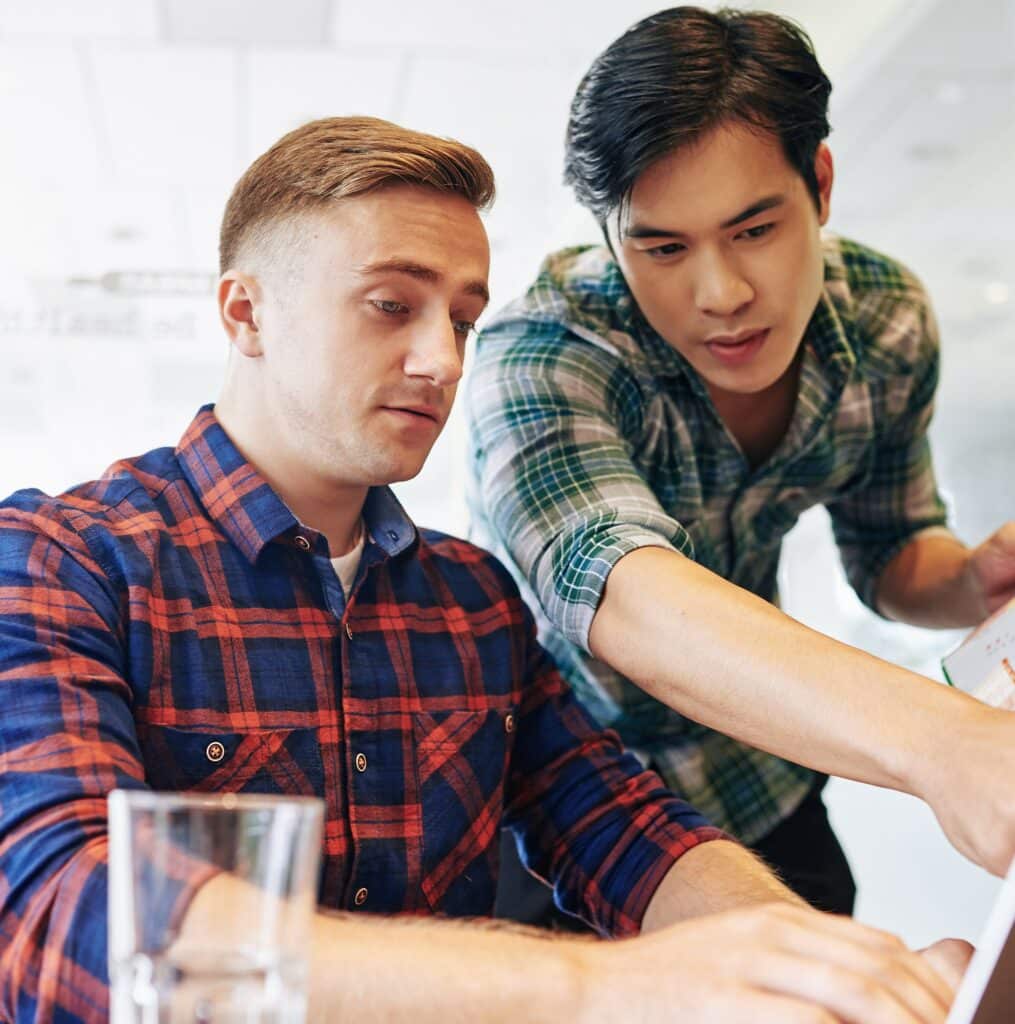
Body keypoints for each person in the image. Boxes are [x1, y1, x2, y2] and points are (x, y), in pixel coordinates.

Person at [0, 115, 971, 1023]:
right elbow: (65, 910)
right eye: (392, 306)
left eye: (462, 320)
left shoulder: (470, 602)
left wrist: (826, 964)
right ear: (246, 313)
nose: (443, 360)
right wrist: (600, 981)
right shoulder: (60, 559)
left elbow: (619, 826)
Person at [465, 4, 1015, 924]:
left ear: (819, 185)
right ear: (607, 236)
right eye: (662, 248)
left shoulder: (884, 320)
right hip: (554, 800)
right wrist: (942, 741)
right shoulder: (544, 350)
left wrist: (969, 581)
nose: (720, 294)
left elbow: (889, 551)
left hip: (755, 778)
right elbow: (623, 592)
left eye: (754, 230)